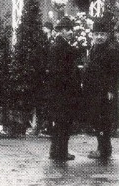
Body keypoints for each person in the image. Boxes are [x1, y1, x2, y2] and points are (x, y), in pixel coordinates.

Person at [81, 17, 119, 161]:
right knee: (98, 120)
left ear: (107, 35)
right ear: (92, 35)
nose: (99, 37)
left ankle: (104, 149)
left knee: (104, 121)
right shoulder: (94, 48)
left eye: (102, 34)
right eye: (97, 34)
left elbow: (116, 72)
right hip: (94, 91)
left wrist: (112, 89)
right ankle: (102, 147)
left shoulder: (111, 50)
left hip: (105, 92)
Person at [44, 16, 80, 162]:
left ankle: (56, 151)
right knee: (63, 122)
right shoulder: (60, 46)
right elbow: (59, 71)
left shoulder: (60, 45)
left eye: (71, 29)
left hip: (59, 90)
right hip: (63, 91)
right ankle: (61, 152)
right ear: (60, 31)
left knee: (60, 122)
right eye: (67, 29)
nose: (71, 32)